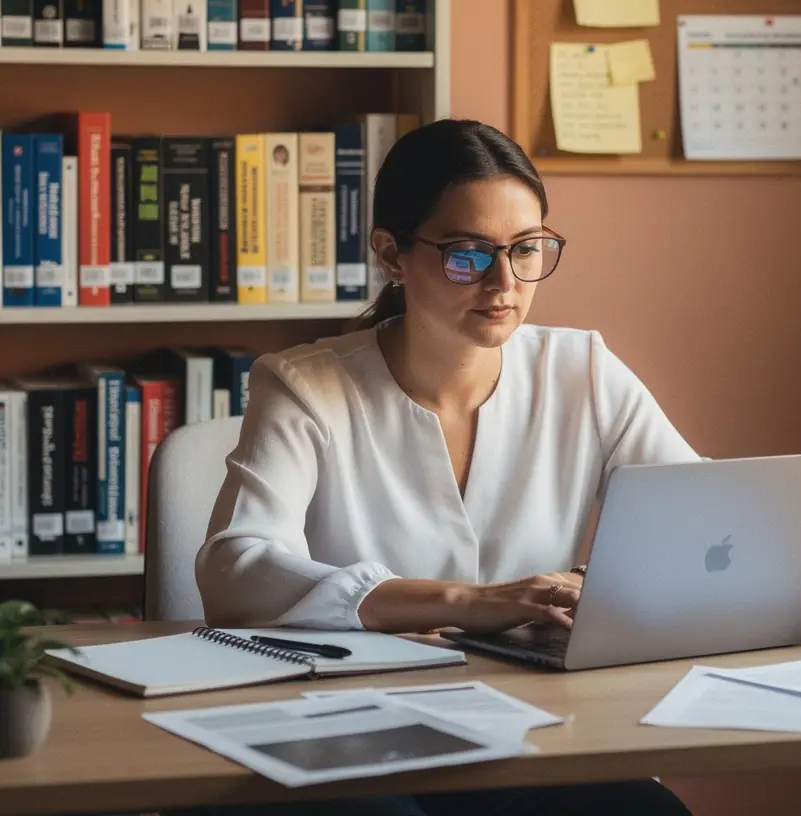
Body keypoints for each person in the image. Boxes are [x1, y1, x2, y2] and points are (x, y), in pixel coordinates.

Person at [196, 119, 701, 816]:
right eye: (468, 254)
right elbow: (235, 569)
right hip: (351, 726)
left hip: (531, 723)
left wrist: (592, 584)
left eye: (526, 250)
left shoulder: (582, 369)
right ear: (391, 255)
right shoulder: (303, 385)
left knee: (648, 812)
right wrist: (470, 602)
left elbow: (701, 522)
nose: (504, 282)